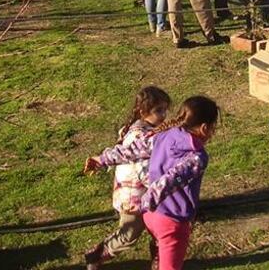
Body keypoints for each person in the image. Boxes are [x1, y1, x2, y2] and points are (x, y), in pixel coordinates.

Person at [85, 96, 220, 270]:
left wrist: (102, 159)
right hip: (172, 221)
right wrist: (144, 203)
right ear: (204, 128)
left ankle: (159, 260)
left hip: (150, 216)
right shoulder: (197, 157)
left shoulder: (164, 134)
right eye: (213, 128)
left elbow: (133, 150)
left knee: (161, 246)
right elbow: (170, 180)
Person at [82, 86, 172, 269]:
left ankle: (160, 258)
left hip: (150, 193)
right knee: (129, 233)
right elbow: (142, 170)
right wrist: (166, 182)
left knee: (161, 227)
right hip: (134, 196)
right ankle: (98, 254)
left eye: (165, 110)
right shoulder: (138, 136)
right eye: (158, 110)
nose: (164, 115)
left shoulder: (150, 128)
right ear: (142, 111)